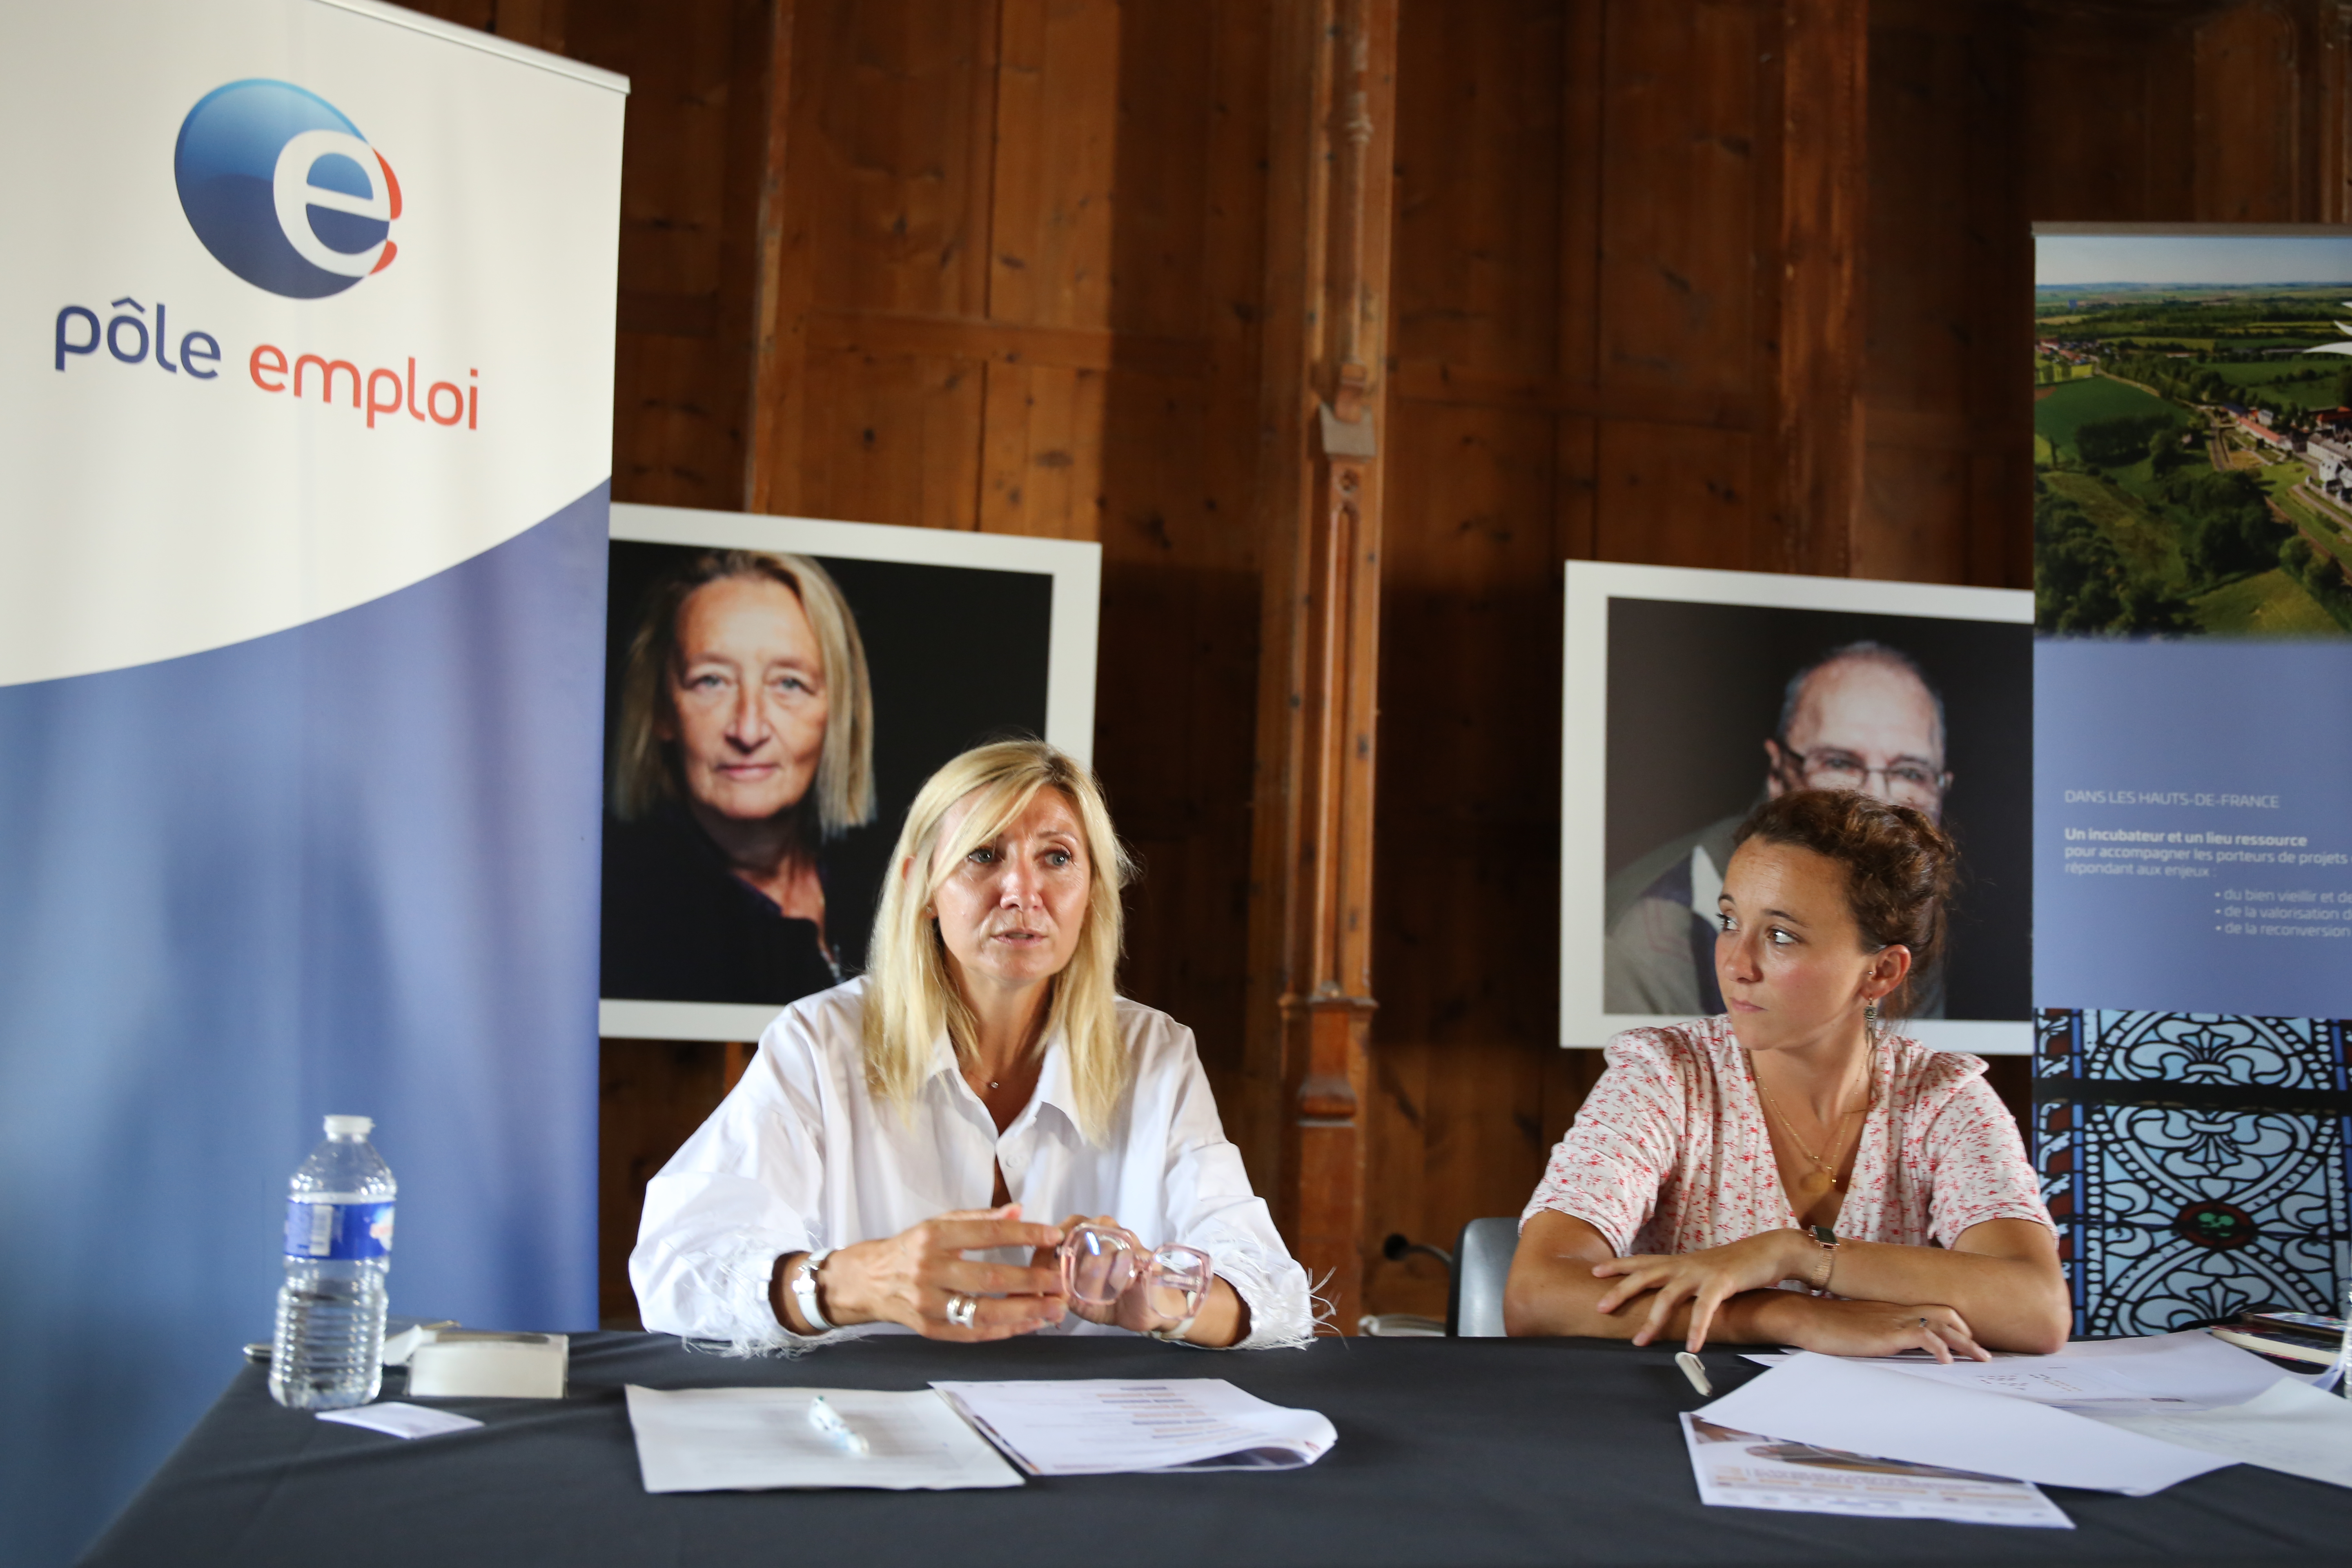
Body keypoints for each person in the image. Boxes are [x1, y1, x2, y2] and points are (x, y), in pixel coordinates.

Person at [631, 739, 1314, 1350]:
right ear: (920, 887)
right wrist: (858, 1283)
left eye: (1057, 858)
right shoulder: (820, 1042)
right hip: (878, 1437)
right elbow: (676, 1265)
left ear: (1092, 895)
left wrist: (1166, 1301)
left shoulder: (1155, 1052)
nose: (1022, 891)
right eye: (984, 855)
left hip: (1085, 1448)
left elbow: (1275, 1296)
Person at [1508, 788, 2067, 1357]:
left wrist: (1797, 1254)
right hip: (1682, 1421)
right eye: (1729, 921)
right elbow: (1537, 1295)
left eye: (1781, 936)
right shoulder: (1666, 1075)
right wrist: (1786, 1315)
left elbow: (2038, 1310)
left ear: (1880, 971)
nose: (1735, 963)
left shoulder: (1943, 1098)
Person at [1604, 640, 1954, 1018]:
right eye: (1839, 763)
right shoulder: (1654, 940)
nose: (1876, 800)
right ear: (1777, 772)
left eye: (1909, 773)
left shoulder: (1907, 902)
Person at [601, 550, 877, 1005]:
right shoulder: (624, 924)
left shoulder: (887, 886)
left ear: (838, 710)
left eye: (788, 683)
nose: (748, 730)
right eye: (712, 681)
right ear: (663, 710)